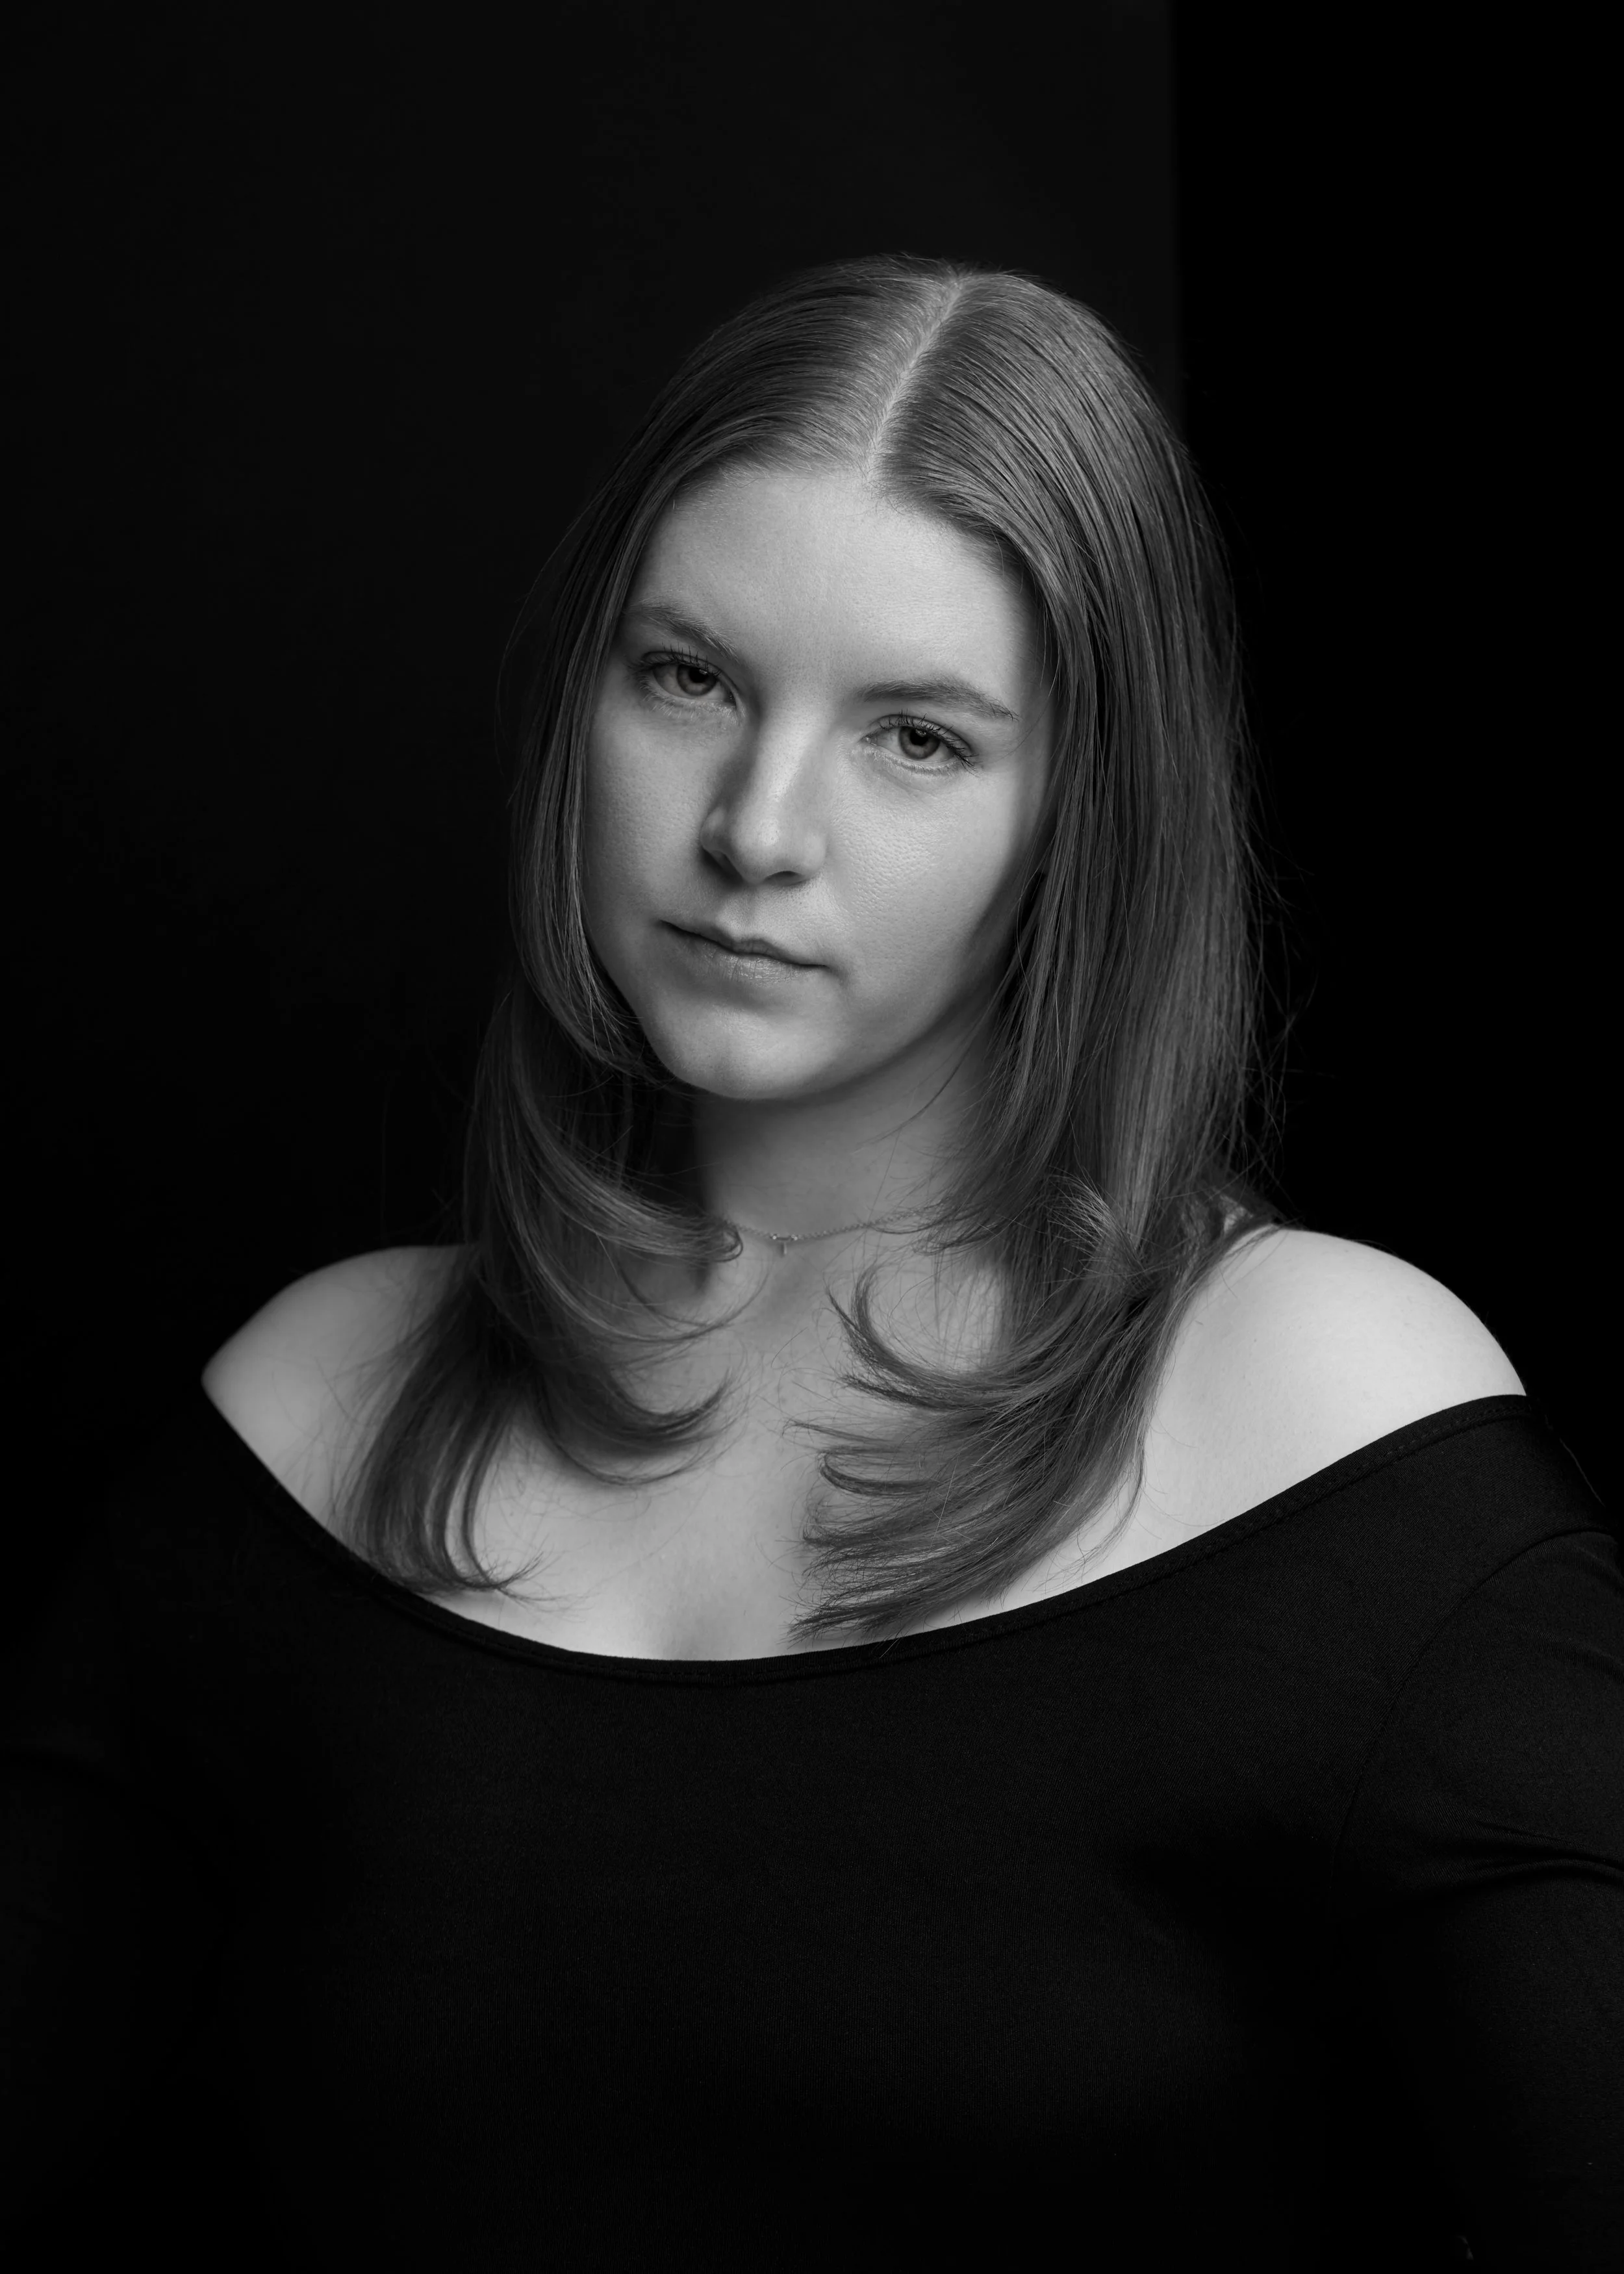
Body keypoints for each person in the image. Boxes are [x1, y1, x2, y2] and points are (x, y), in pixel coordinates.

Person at [3, 256, 1618, 2268]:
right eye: (687, 677)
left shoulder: (1319, 1396)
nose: (757, 828)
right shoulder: (317, 1403)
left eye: (915, 737)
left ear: (1085, 815)